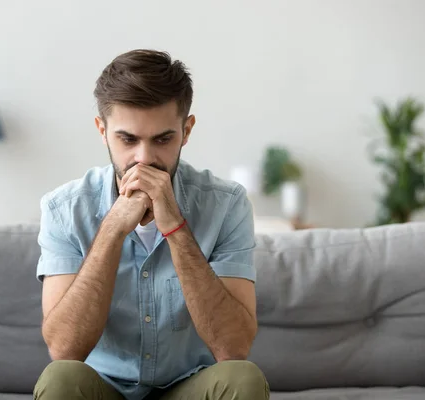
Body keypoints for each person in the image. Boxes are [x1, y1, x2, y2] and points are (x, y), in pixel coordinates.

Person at [33, 49, 269, 400]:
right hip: (104, 388)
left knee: (243, 378)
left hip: (189, 385)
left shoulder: (226, 204)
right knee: (60, 379)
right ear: (102, 130)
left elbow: (233, 349)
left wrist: (174, 226)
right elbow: (65, 350)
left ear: (186, 131)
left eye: (162, 139)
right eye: (128, 139)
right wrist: (113, 228)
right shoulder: (64, 209)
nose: (143, 158)